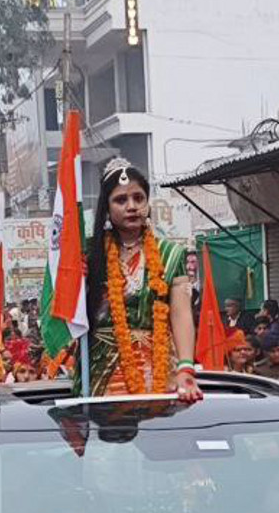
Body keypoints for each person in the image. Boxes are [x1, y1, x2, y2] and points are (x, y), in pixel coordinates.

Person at [81, 161, 202, 401]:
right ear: (106, 207)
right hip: (102, 369)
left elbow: (180, 314)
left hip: (158, 367)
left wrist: (186, 368)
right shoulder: (88, 252)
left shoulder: (171, 253)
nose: (132, 206)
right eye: (121, 200)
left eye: (139, 198)